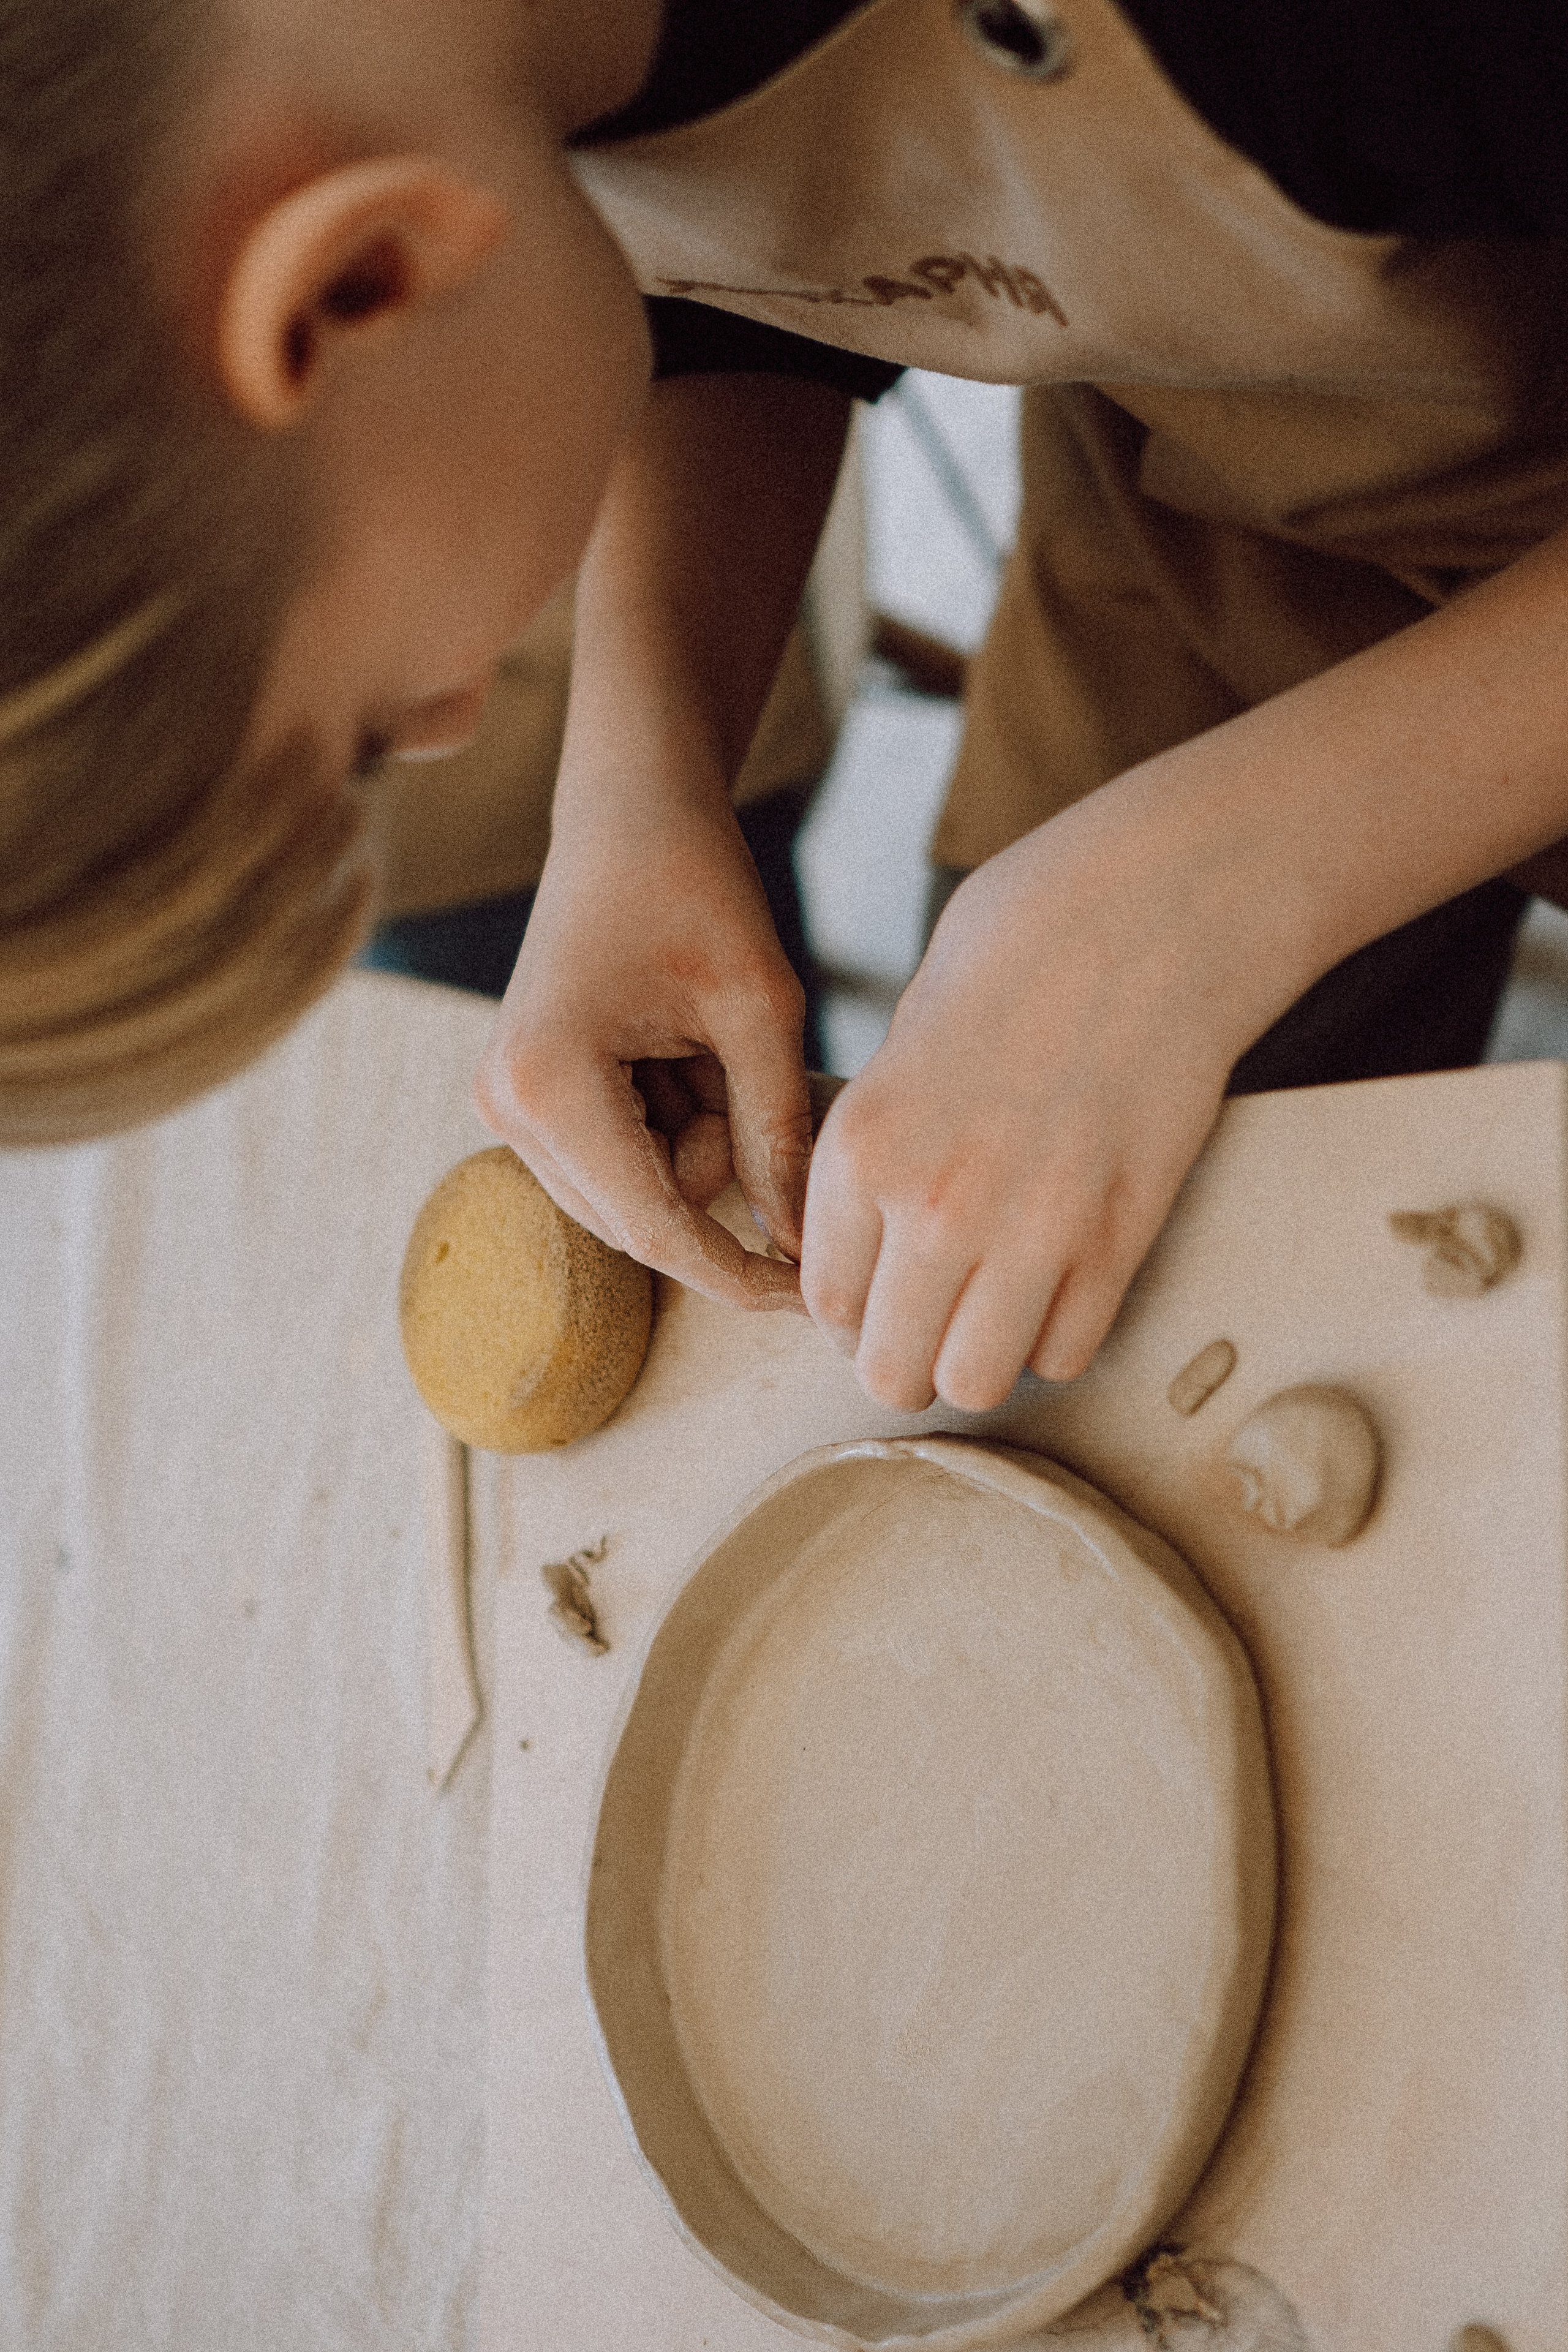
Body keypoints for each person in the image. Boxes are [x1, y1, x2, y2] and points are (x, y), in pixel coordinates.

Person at [6, 0, 1568, 1419]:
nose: (441, 729)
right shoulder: (434, 56)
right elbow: (727, 273)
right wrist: (641, 775)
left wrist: (1217, 885)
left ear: (350, 283)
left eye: (358, 736)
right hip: (1202, 504)